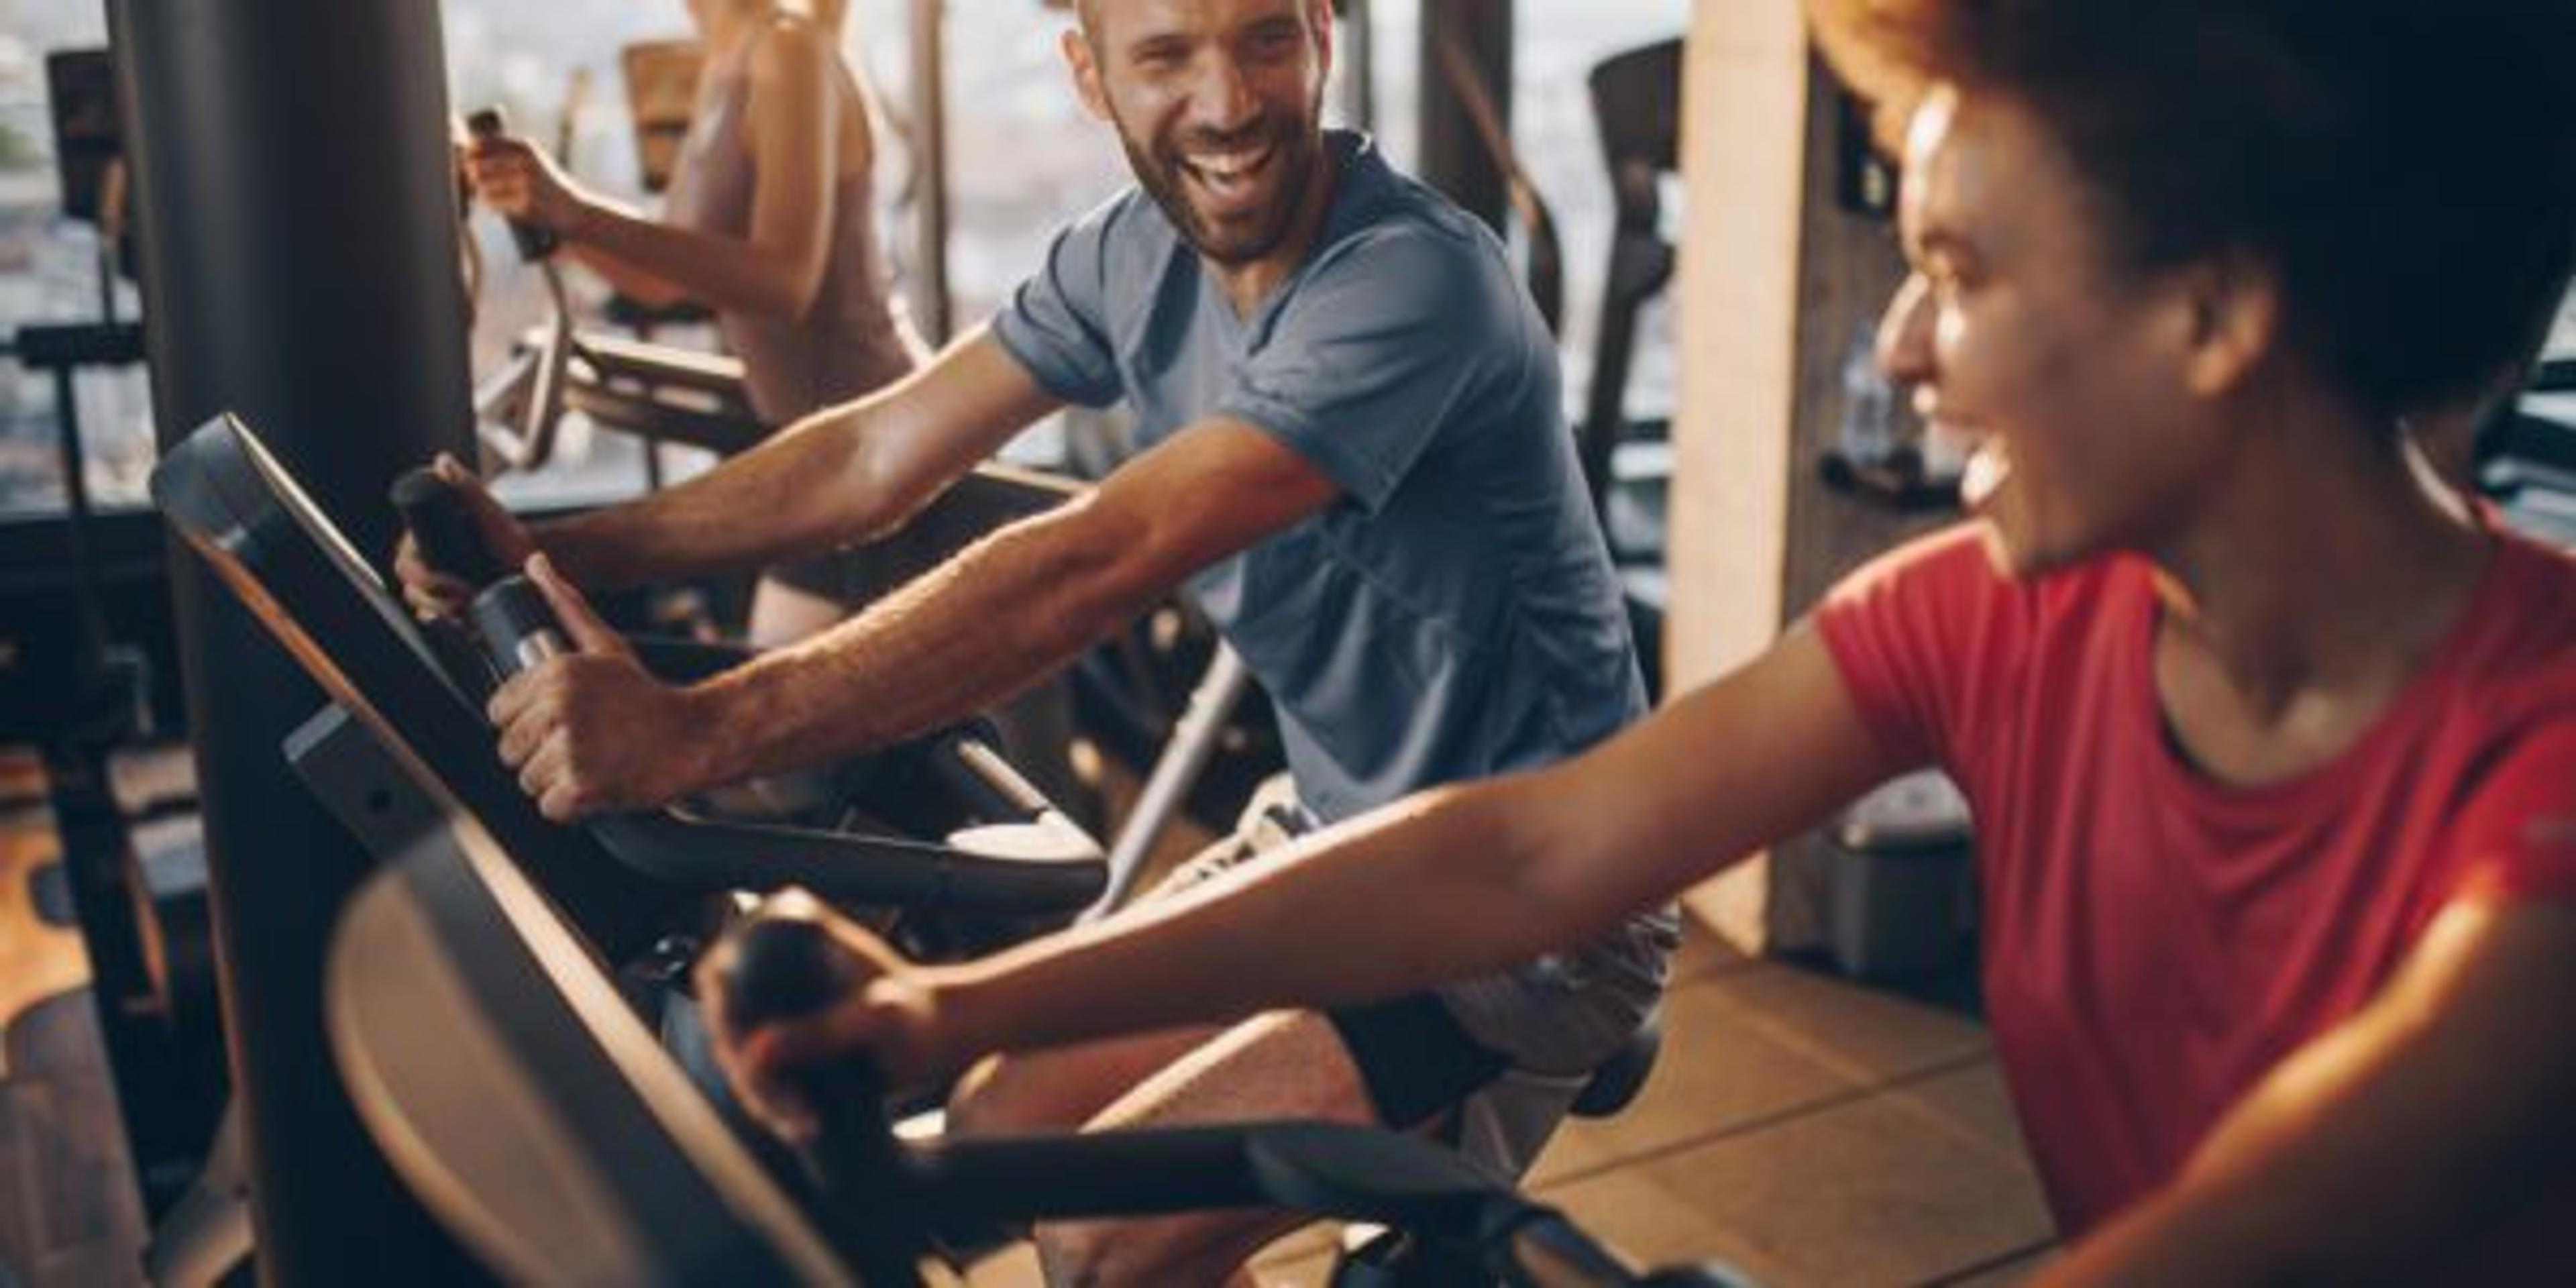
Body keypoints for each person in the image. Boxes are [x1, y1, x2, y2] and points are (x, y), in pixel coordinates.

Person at [703, 0, 2576, 1281]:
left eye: (1964, 273)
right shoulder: (1992, 621)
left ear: (2216, 315)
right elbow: (1529, 844)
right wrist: (949, 1011)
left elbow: (2278, 1236)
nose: (1905, 350)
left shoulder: (2545, 765)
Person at [402, 0, 1672, 1281]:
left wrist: (700, 730)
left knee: (1103, 1232)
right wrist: (565, 553)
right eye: (1168, 55)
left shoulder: (1413, 278)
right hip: (1337, 840)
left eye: (1267, 40)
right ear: (1090, 73)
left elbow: (1098, 562)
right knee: (1001, 1124)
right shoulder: (1123, 258)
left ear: (1324, 39)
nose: (1229, 103)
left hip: (1529, 910)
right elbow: (867, 455)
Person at [465, 0, 924, 644]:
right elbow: (664, 281)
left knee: (777, 716)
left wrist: (577, 209)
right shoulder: (723, 60)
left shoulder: (790, 49)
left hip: (868, 436)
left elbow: (785, 280)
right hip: (808, 445)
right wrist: (554, 220)